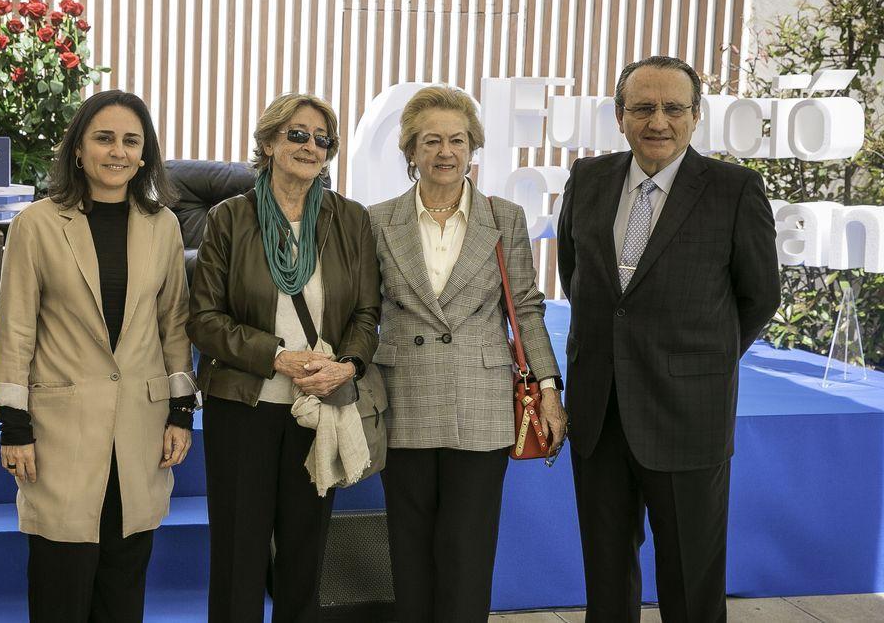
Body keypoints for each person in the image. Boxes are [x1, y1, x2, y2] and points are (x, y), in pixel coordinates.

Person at [557, 55, 780, 622]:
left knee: (691, 577)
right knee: (605, 573)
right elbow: (577, 275)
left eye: (673, 108)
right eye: (643, 107)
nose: (658, 121)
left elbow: (759, 297)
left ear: (695, 116)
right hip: (599, 413)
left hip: (689, 415)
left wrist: (699, 364)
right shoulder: (587, 180)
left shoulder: (734, 190)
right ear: (619, 115)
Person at [0, 89, 197, 622]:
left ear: (145, 153)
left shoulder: (164, 226)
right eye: (104, 138)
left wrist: (180, 412)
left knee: (124, 583)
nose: (117, 151)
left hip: (141, 426)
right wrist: (13, 425)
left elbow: (174, 326)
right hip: (61, 428)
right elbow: (14, 328)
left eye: (131, 141)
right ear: (78, 149)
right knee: (62, 580)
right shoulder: (36, 223)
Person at [368, 85, 566, 622]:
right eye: (431, 141)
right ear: (410, 150)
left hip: (480, 404)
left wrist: (549, 388)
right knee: (408, 549)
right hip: (404, 395)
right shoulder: (376, 220)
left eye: (457, 140)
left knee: (469, 550)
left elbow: (525, 309)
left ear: (473, 147)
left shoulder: (504, 217)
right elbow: (363, 313)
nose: (445, 152)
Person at [187, 93, 380, 622]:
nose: (310, 146)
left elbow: (366, 314)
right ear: (269, 143)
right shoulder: (230, 218)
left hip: (319, 408)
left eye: (322, 138)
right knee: (238, 556)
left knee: (304, 553)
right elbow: (203, 320)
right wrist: (277, 357)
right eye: (297, 134)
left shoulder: (351, 220)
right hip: (244, 407)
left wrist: (349, 366)